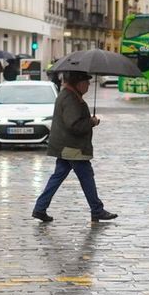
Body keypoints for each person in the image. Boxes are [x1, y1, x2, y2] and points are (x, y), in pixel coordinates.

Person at [32, 71, 117, 224]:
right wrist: (91, 122)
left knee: (57, 177)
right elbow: (74, 125)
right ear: (78, 83)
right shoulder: (70, 99)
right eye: (87, 82)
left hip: (66, 146)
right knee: (86, 177)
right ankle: (97, 210)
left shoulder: (69, 95)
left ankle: (40, 208)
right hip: (73, 147)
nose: (89, 85)